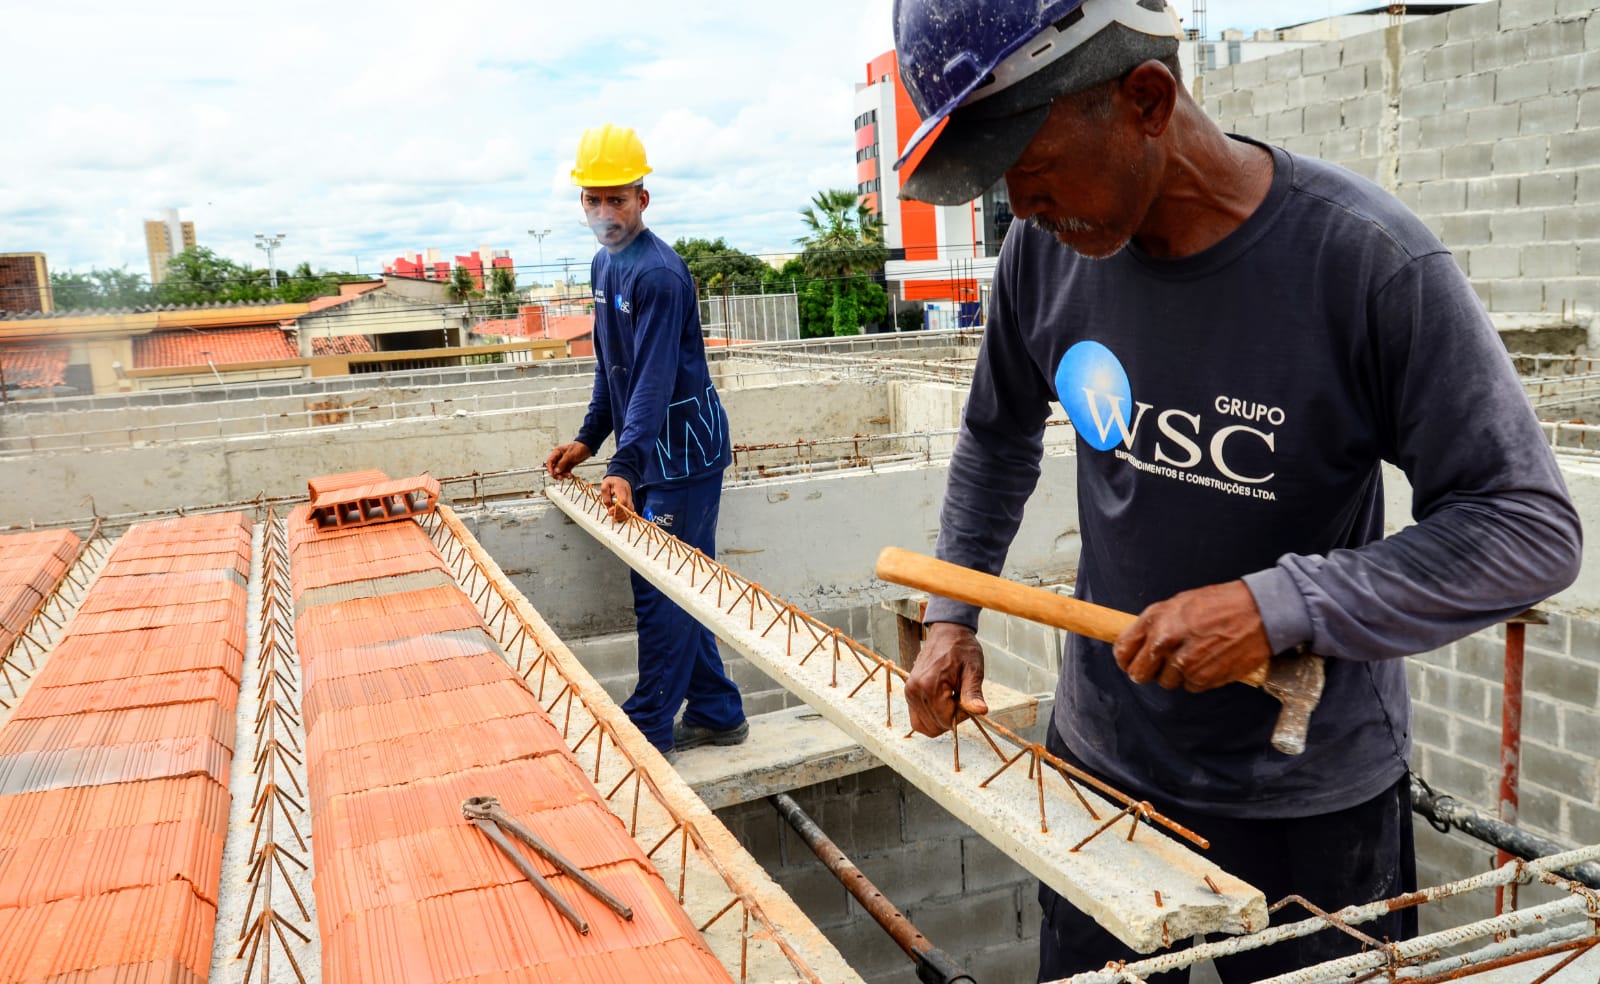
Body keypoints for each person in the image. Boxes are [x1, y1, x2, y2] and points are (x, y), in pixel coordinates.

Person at [890, 0, 1583, 979]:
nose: (1021, 209)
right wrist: (953, 608)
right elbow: (995, 438)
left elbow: (1525, 528)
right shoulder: (1042, 258)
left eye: (1031, 174)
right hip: (1105, 765)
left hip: (1309, 794)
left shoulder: (1365, 264)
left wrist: (1277, 606)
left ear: (1144, 98)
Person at [545, 123, 748, 761]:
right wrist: (587, 441)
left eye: (617, 200)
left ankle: (648, 728)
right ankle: (716, 711)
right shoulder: (606, 264)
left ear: (643, 200)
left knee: (664, 592)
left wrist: (624, 464)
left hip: (683, 457)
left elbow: (655, 378)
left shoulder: (658, 274)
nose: (604, 214)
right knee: (677, 584)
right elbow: (614, 367)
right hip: (647, 453)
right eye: (592, 201)